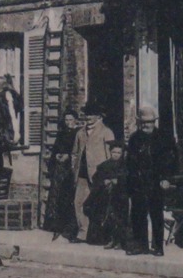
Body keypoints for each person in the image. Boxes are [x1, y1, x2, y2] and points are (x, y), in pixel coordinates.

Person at [125, 104, 177, 256]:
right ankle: (141, 245)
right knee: (138, 214)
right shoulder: (135, 138)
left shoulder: (164, 138)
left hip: (156, 181)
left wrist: (166, 178)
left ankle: (158, 246)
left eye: (149, 122)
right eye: (143, 122)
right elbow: (130, 161)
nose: (146, 125)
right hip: (138, 181)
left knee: (156, 214)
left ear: (154, 122)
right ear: (139, 123)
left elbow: (171, 160)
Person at [71, 104, 115, 242]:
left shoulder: (106, 132)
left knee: (99, 204)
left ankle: (99, 235)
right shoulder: (80, 133)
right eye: (87, 115)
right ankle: (82, 232)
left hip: (98, 174)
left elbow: (110, 155)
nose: (89, 117)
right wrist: (74, 169)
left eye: (92, 115)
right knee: (78, 202)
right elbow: (75, 153)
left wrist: (109, 174)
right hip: (82, 173)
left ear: (99, 117)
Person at [44, 110, 81, 241]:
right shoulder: (61, 134)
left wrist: (68, 156)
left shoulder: (79, 133)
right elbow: (56, 148)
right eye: (66, 120)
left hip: (71, 170)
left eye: (71, 120)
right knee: (57, 196)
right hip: (60, 170)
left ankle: (71, 227)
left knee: (70, 197)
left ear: (76, 120)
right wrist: (57, 155)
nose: (68, 123)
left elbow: (79, 151)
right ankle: (56, 226)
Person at [86, 139, 129, 248]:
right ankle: (109, 239)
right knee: (106, 216)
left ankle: (120, 241)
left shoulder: (125, 166)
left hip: (120, 196)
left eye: (119, 153)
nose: (116, 155)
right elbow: (96, 178)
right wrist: (103, 182)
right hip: (105, 196)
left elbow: (129, 180)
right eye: (114, 152)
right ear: (110, 152)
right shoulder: (104, 165)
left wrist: (118, 181)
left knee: (119, 216)